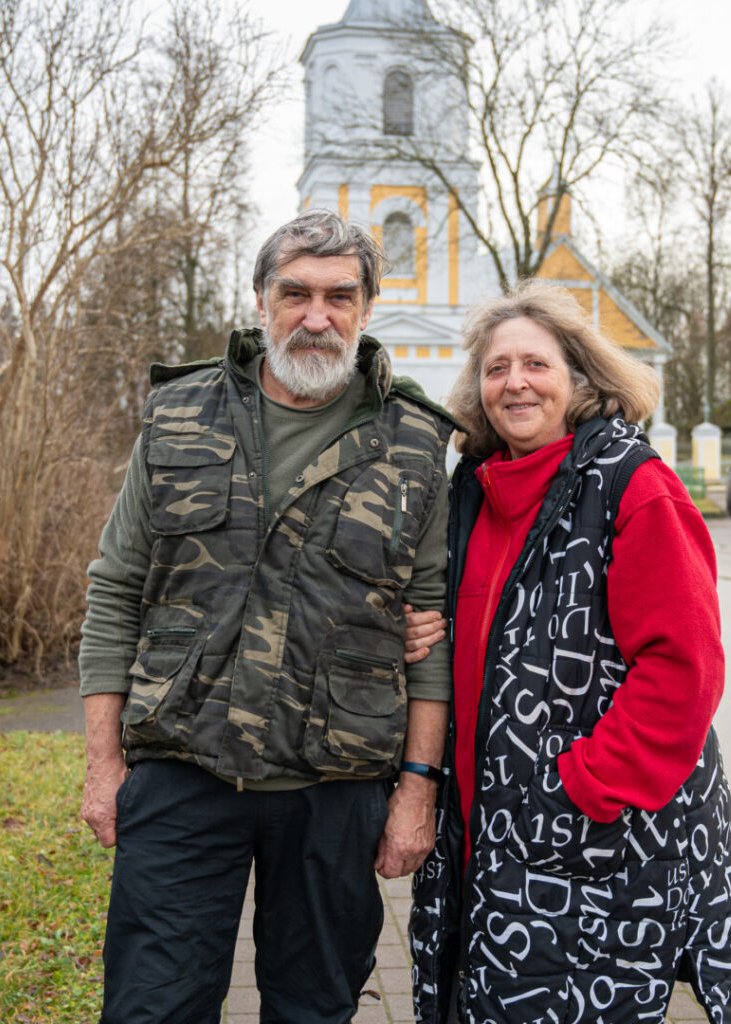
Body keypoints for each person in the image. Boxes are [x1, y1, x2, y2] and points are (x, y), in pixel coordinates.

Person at [78, 210, 457, 1024]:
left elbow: (431, 634)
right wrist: (103, 768)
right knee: (152, 1007)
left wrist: (417, 793)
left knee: (314, 1010)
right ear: (260, 301)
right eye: (295, 293)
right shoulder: (180, 415)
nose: (316, 316)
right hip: (184, 772)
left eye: (338, 296)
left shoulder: (418, 443)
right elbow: (114, 591)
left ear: (365, 308)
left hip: (339, 787)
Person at [407, 282, 731, 1024]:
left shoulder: (632, 485)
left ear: (580, 379)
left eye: (536, 364)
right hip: (480, 842)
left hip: (593, 848)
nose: (515, 383)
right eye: (497, 369)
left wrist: (584, 787)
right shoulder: (470, 492)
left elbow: (684, 670)